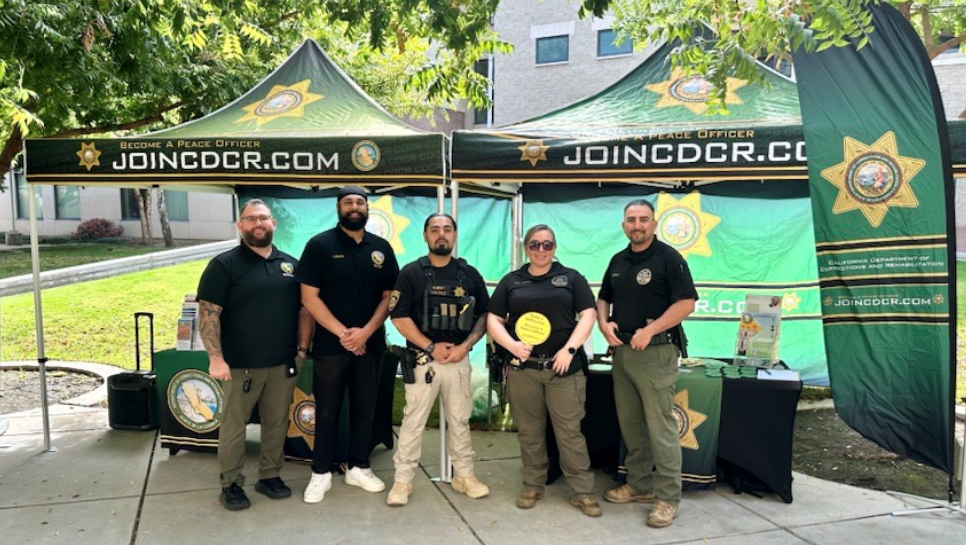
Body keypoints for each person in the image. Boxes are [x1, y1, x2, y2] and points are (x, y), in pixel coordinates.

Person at [197, 198, 313, 511]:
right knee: (234, 426)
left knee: (276, 423)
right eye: (250, 219)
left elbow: (304, 310)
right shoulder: (224, 264)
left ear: (273, 223)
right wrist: (216, 359)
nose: (257, 224)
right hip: (239, 367)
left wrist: (301, 350)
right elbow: (208, 314)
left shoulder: (290, 264)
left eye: (263, 218)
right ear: (240, 226)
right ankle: (231, 483)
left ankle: (269, 475)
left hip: (282, 364)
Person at [487, 224, 602, 518]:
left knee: (570, 433)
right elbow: (493, 319)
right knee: (529, 431)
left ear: (555, 247)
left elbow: (588, 315)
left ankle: (582, 491)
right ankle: (532, 484)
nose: (541, 250)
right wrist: (512, 345)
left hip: (563, 369)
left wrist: (570, 349)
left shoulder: (571, 278)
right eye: (535, 245)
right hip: (524, 369)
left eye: (547, 245)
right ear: (526, 248)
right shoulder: (512, 281)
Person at [596, 199, 698, 528]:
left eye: (643, 219)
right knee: (632, 425)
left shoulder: (668, 258)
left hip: (656, 352)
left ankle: (667, 498)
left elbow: (686, 304)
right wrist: (604, 323)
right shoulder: (618, 260)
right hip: (623, 352)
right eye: (630, 220)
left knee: (661, 428)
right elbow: (603, 298)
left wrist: (650, 330)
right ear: (623, 225)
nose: (636, 225)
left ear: (654, 224)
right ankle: (639, 485)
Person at [295, 186, 399, 503]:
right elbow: (308, 298)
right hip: (330, 346)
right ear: (339, 208)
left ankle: (358, 468)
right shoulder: (319, 245)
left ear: (368, 208)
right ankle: (320, 473)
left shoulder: (381, 247)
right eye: (348, 202)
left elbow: (388, 298)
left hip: (370, 346)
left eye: (360, 202)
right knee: (326, 412)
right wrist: (345, 334)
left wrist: (365, 332)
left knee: (364, 410)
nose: (354, 207)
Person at [385, 213, 491, 506]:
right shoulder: (410, 273)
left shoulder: (469, 274)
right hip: (423, 362)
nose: (441, 234)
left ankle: (464, 477)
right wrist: (431, 346)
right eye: (435, 230)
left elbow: (485, 314)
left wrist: (465, 346)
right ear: (425, 235)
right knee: (413, 422)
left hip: (458, 360)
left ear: (455, 235)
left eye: (447, 229)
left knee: (460, 421)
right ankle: (402, 482)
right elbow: (399, 317)